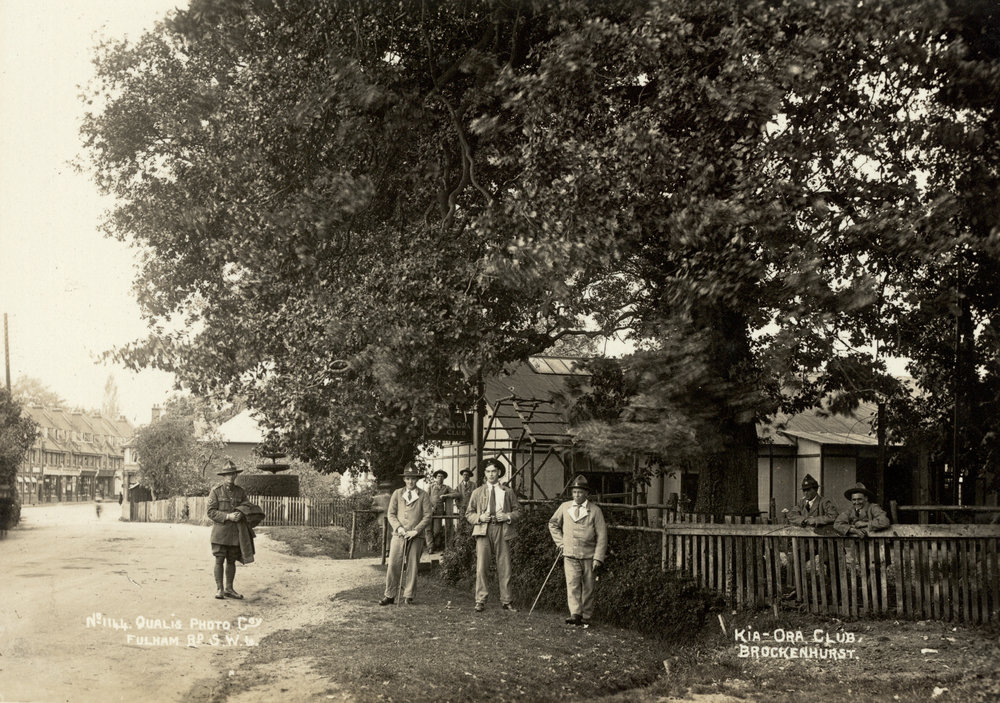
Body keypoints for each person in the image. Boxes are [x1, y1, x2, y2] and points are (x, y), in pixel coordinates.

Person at [548, 475, 607, 627]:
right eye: (574, 492)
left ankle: (586, 615)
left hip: (589, 555)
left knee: (588, 587)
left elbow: (602, 536)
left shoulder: (595, 511)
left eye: (580, 492)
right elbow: (553, 524)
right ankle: (575, 614)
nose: (577, 495)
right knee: (572, 583)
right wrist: (561, 543)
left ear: (587, 493)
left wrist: (598, 557)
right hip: (570, 553)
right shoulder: (565, 507)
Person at [465, 458, 521, 612]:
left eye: (494, 471)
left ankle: (506, 600)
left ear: (499, 473)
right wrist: (479, 518)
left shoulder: (507, 492)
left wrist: (508, 516)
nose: (491, 474)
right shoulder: (477, 492)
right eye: (488, 471)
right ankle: (480, 600)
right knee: (482, 566)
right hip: (483, 530)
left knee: (505, 566)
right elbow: (469, 513)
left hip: (502, 529)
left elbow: (518, 511)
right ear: (485, 473)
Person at [380, 463, 434, 605]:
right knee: (393, 564)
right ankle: (390, 595)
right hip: (399, 535)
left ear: (417, 480)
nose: (410, 481)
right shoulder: (397, 493)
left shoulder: (424, 495)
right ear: (404, 479)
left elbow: (428, 516)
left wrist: (415, 531)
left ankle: (409, 595)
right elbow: (391, 514)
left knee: (412, 565)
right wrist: (399, 528)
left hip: (416, 536)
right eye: (408, 478)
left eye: (413, 479)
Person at [207, 460, 252, 599]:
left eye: (232, 474)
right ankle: (219, 589)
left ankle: (229, 589)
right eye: (227, 475)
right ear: (223, 476)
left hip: (234, 534)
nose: (230, 477)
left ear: (235, 475)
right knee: (219, 560)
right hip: (220, 533)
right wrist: (228, 516)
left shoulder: (240, 492)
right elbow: (211, 512)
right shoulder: (216, 491)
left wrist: (240, 513)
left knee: (232, 561)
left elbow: (247, 506)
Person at [426, 469, 458, 553]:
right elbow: (426, 498)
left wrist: (446, 495)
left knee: (436, 530)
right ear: (436, 478)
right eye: (438, 476)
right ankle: (430, 547)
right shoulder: (431, 487)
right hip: (429, 510)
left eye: (441, 476)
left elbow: (456, 494)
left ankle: (436, 544)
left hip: (439, 511)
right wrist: (430, 507)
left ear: (444, 478)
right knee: (428, 529)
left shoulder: (446, 487)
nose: (440, 478)